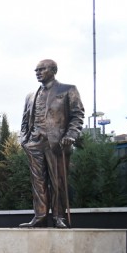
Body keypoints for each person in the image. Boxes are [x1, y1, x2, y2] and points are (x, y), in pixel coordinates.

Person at [20, 59, 85, 229]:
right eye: (36, 70)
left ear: (53, 70)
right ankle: (40, 216)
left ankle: (58, 217)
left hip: (57, 144)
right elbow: (25, 121)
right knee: (38, 183)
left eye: (42, 69)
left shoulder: (68, 90)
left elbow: (77, 115)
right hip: (34, 143)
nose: (38, 72)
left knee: (58, 182)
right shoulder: (30, 96)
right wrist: (24, 140)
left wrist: (71, 134)